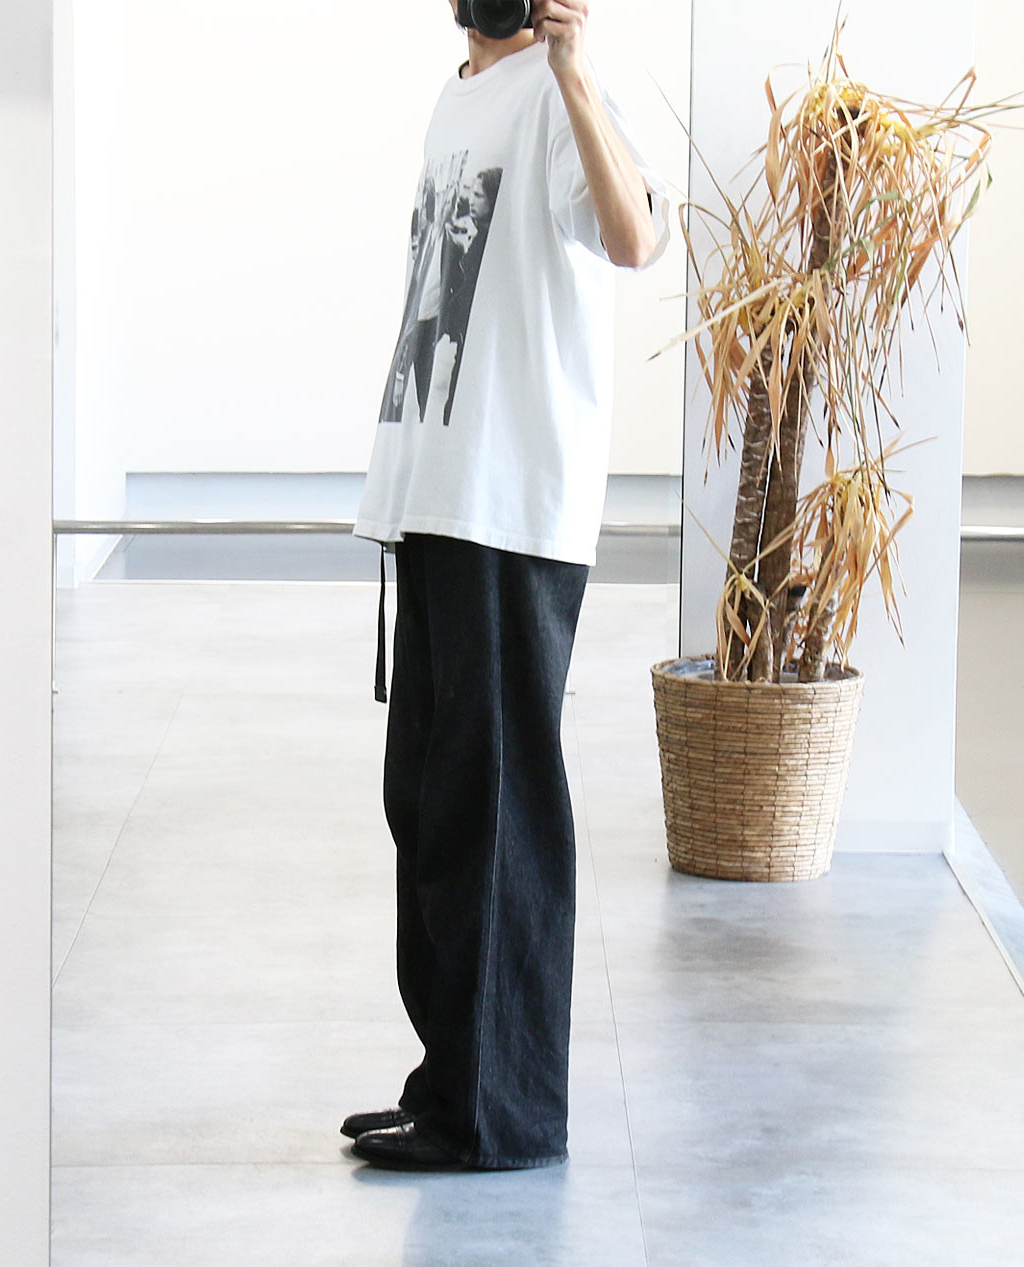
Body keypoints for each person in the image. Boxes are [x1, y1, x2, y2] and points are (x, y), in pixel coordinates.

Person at [348, 0, 669, 1171]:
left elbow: (634, 240)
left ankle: (500, 1115)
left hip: (507, 505)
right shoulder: (460, 95)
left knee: (495, 814)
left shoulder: (556, 93)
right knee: (430, 810)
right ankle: (450, 1085)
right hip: (437, 498)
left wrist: (575, 72)